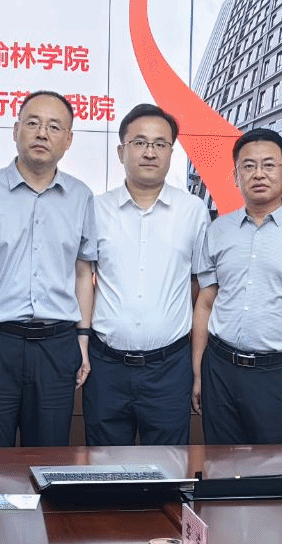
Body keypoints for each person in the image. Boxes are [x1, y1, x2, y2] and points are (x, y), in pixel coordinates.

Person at [0, 90, 96, 448]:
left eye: (54, 126)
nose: (42, 133)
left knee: (48, 459)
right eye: (33, 123)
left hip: (57, 346)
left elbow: (83, 274)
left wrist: (82, 341)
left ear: (69, 139)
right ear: (16, 130)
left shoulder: (81, 197)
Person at [193, 128, 282, 444]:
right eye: (248, 166)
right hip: (220, 370)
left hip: (280, 375)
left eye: (269, 165)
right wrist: (199, 374)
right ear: (236, 176)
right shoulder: (218, 231)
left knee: (275, 465)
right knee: (220, 464)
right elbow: (205, 303)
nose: (258, 174)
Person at [83, 103, 209, 445]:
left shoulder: (193, 212)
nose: (150, 152)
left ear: (171, 152)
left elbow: (199, 286)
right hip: (105, 366)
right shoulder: (96, 209)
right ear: (121, 151)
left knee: (169, 466)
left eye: (160, 144)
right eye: (139, 142)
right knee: (104, 466)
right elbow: (83, 280)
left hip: (169, 368)